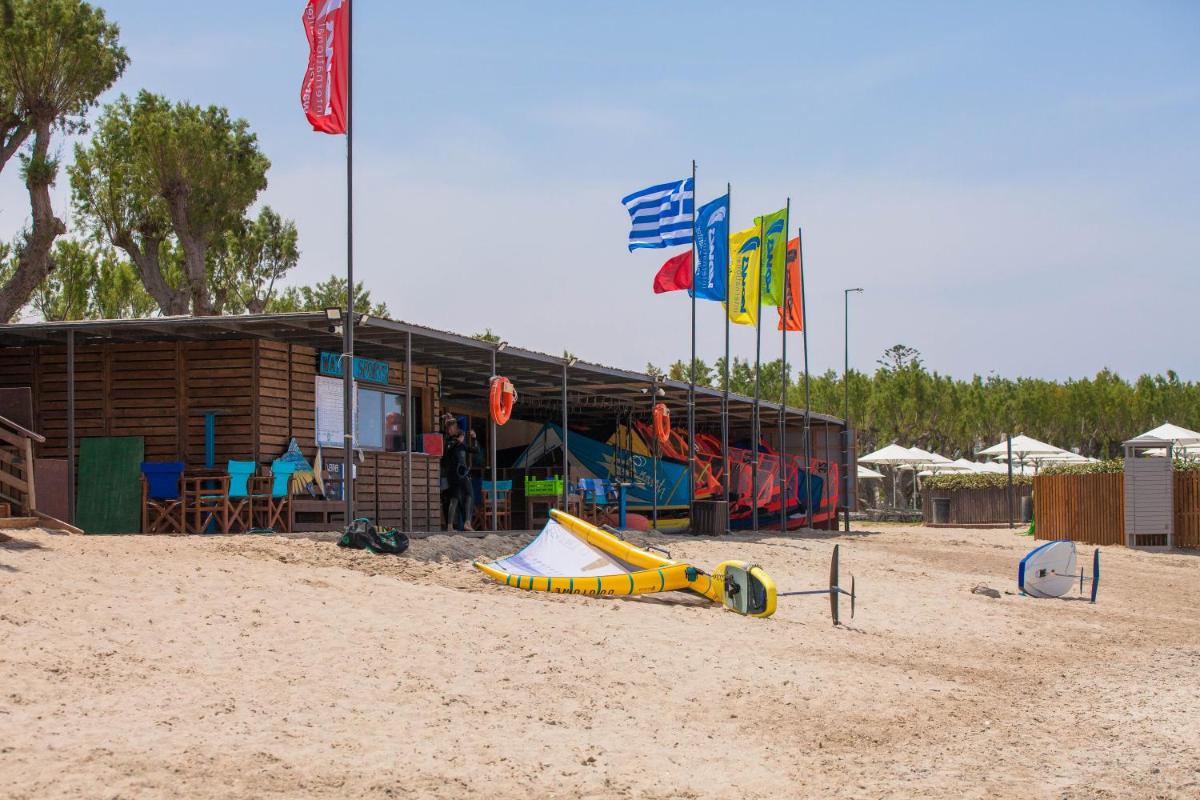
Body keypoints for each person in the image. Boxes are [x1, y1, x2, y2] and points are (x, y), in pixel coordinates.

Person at [441, 416, 478, 531]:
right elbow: (448, 450)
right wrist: (458, 441)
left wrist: (474, 438)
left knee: (458, 498)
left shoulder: (459, 443)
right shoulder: (449, 442)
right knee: (463, 495)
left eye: (452, 428)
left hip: (460, 473)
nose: (450, 430)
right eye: (449, 428)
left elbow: (475, 450)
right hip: (456, 474)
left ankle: (455, 525)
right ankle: (458, 524)